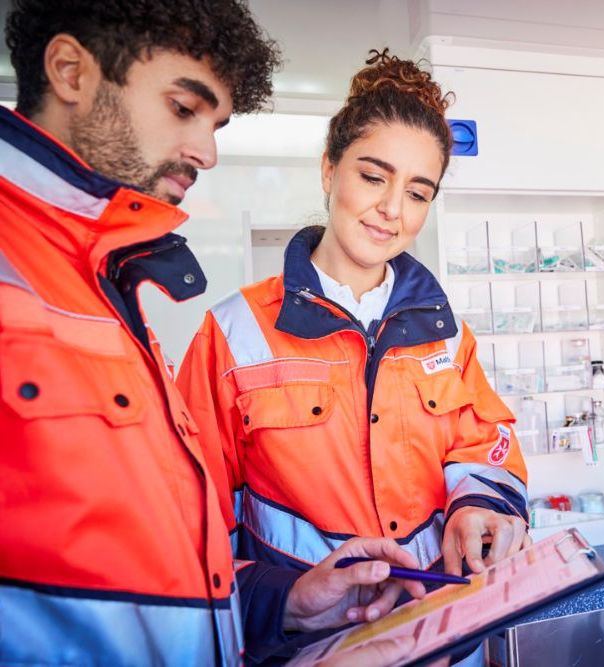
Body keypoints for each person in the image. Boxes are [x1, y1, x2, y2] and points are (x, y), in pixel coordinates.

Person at [0, 3, 424, 665]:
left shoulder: (107, 284)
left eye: (216, 124)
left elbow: (175, 563)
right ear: (69, 71)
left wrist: (287, 601)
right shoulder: (222, 326)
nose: (207, 151)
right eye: (182, 108)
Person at [177, 50, 530, 598]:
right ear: (329, 169)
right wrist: (278, 603)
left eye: (417, 193)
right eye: (372, 177)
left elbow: (484, 442)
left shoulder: (447, 333)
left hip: (441, 630)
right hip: (310, 645)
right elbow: (190, 521)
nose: (392, 208)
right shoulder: (233, 333)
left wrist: (479, 505)